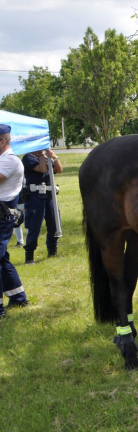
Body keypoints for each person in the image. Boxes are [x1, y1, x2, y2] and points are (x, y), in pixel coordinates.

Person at [0, 124, 29, 318]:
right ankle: (18, 296)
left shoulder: (9, 161)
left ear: (3, 141)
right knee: (2, 258)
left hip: (1, 214)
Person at [21, 149, 62, 264]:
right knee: (34, 227)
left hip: (49, 196)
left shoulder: (46, 157)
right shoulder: (28, 158)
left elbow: (59, 170)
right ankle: (29, 256)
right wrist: (41, 155)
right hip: (35, 197)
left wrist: (55, 157)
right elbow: (42, 169)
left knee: (54, 224)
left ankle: (52, 251)